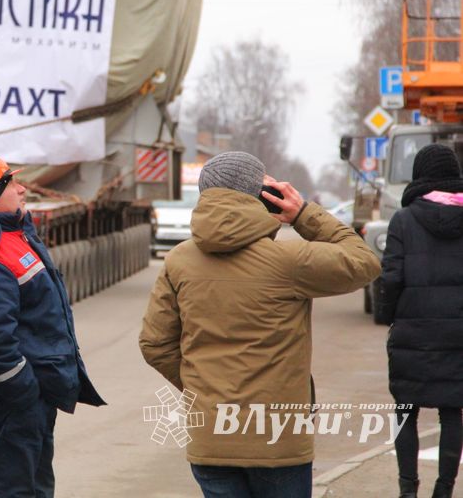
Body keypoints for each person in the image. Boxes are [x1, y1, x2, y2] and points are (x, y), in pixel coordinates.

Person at [139, 151, 380, 498]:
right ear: (263, 196)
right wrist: (304, 214)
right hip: (279, 439)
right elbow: (365, 261)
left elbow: (155, 344)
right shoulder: (290, 261)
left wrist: (200, 390)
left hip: (211, 437)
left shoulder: (179, 260)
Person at [0, 152, 105, 498]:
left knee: (33, 485)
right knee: (5, 486)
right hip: (12, 399)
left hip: (31, 397)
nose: (21, 189)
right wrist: (22, 389)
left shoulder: (15, 236)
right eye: (11, 183)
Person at [378, 143, 463, 498]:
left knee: (405, 410)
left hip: (412, 331)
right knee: (452, 411)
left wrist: (388, 315)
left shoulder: (403, 220)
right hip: (458, 332)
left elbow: (391, 277)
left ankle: (407, 489)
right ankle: (444, 490)